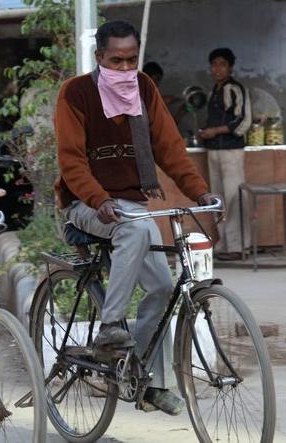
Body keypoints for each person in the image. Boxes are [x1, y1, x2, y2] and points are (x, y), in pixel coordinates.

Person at [54, 20, 217, 415]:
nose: (125, 69)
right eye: (116, 61)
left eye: (131, 60)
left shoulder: (144, 88)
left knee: (162, 287)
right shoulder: (75, 93)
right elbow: (72, 161)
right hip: (84, 206)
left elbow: (170, 147)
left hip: (132, 205)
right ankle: (111, 328)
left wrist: (201, 192)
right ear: (99, 58)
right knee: (134, 226)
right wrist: (97, 198)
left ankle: (141, 378)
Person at [198, 47, 251, 261]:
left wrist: (214, 131)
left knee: (234, 197)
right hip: (215, 151)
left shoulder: (235, 89)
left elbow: (243, 120)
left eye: (222, 64)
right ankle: (224, 244)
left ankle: (238, 246)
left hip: (231, 151)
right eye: (214, 64)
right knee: (218, 199)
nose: (217, 68)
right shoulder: (215, 91)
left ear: (230, 67)